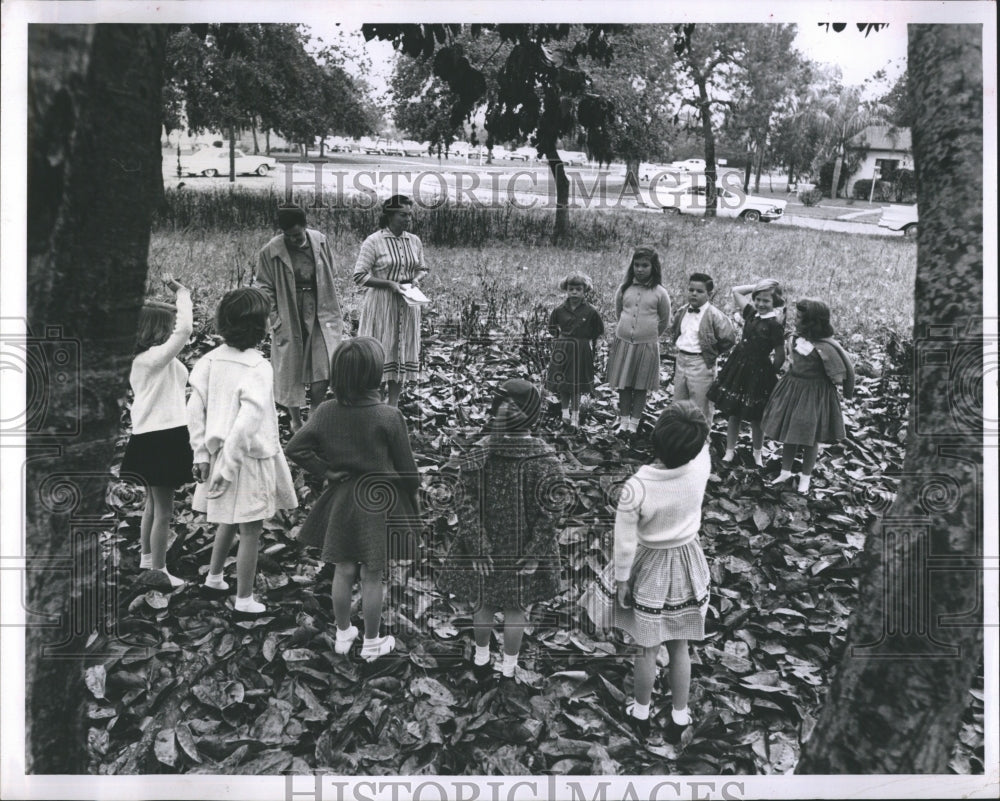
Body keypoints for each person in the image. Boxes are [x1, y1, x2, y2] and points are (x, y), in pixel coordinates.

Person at [580, 402, 712, 743]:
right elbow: (701, 440)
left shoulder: (638, 486)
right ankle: (680, 715)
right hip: (686, 559)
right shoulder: (700, 465)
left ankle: (640, 711)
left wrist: (622, 578)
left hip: (649, 564)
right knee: (679, 644)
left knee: (646, 647)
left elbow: (624, 541)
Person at [285, 337, 420, 661]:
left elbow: (295, 448)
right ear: (375, 376)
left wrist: (325, 471)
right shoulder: (388, 416)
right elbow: (409, 472)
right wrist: (410, 494)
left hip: (343, 502)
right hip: (378, 502)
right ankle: (372, 643)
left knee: (343, 570)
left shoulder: (326, 411)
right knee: (372, 574)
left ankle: (344, 633)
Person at [438, 379, 566, 679]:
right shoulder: (545, 459)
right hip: (523, 554)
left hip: (486, 550)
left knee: (483, 604)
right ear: (534, 417)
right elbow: (553, 507)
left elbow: (462, 497)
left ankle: (481, 660)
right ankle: (508, 668)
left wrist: (477, 544)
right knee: (516, 609)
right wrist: (536, 551)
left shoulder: (481, 452)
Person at [188, 288, 297, 614]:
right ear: (259, 326)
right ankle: (245, 598)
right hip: (246, 459)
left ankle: (215, 577)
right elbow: (247, 423)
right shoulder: (258, 368)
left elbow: (196, 409)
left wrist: (202, 454)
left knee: (228, 520)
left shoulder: (208, 360)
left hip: (220, 453)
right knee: (250, 528)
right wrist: (228, 466)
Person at [120, 278, 194, 588]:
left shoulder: (151, 360)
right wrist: (183, 294)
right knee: (164, 510)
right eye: (169, 327)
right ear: (157, 331)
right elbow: (186, 331)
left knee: (153, 504)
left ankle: (148, 560)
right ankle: (160, 573)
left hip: (154, 434)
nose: (173, 331)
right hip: (163, 436)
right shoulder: (152, 360)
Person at [255, 204, 345, 433]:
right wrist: (275, 318)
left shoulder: (320, 241)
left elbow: (330, 270)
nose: (294, 240)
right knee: (290, 364)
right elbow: (264, 286)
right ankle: (295, 419)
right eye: (288, 236)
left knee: (324, 360)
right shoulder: (270, 251)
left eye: (298, 235)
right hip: (289, 310)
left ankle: (315, 412)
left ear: (305, 227)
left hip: (319, 308)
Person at [761, 298, 855, 493]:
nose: (795, 321)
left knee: (810, 437)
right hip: (793, 389)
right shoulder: (795, 338)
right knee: (790, 432)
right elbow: (792, 358)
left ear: (812, 322)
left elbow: (841, 372)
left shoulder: (827, 346)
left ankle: (806, 477)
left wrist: (843, 387)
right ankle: (785, 471)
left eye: (799, 318)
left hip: (814, 395)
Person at [353, 195, 429, 407]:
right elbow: (359, 276)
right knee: (380, 351)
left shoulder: (414, 240)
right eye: (403, 215)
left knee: (401, 349)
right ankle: (374, 403)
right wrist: (389, 284)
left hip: (408, 302)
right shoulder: (374, 241)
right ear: (389, 215)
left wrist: (415, 279)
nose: (408, 219)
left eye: (409, 215)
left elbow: (422, 268)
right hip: (382, 303)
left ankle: (393, 405)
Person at [708, 279, 786, 467]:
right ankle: (729, 451)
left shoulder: (775, 324)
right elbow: (735, 290)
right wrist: (759, 287)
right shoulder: (751, 313)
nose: (760, 304)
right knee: (733, 412)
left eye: (766, 301)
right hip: (739, 368)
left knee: (756, 416)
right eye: (757, 299)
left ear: (774, 302)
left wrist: (770, 372)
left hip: (759, 372)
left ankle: (757, 453)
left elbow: (780, 353)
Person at [605, 246, 672, 439]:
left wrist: (648, 335)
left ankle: (634, 423)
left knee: (640, 385)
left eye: (645, 265)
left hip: (646, 345)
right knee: (624, 384)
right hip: (624, 343)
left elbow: (664, 320)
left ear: (654, 267)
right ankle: (624, 421)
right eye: (636, 265)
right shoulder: (625, 288)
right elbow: (619, 313)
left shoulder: (660, 292)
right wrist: (626, 330)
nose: (640, 269)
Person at [669, 272, 737, 425]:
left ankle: (703, 444)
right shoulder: (683, 311)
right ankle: (680, 438)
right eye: (691, 290)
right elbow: (676, 330)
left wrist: (711, 352)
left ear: (709, 294)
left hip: (701, 362)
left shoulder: (714, 315)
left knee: (701, 405)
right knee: (679, 402)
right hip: (681, 360)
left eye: (699, 291)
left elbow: (728, 338)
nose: (694, 294)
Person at [544, 272, 604, 429]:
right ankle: (564, 413)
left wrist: (584, 340)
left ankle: (575, 416)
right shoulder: (559, 310)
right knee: (564, 383)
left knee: (576, 384)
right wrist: (561, 338)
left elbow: (598, 329)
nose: (574, 292)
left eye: (578, 289)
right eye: (571, 289)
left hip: (581, 349)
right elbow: (551, 327)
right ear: (566, 289)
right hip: (563, 348)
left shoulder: (591, 311)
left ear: (585, 291)